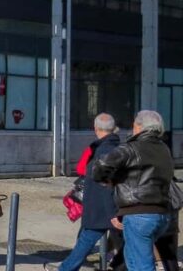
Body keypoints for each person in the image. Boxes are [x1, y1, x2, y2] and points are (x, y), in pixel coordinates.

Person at [92, 110, 174, 271]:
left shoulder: (130, 148)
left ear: (138, 127)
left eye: (135, 124)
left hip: (139, 214)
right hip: (162, 214)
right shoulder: (164, 148)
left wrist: (107, 180)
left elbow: (101, 165)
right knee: (132, 260)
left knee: (140, 265)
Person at [44, 114, 121, 271]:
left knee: (84, 244)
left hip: (103, 208)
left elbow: (106, 185)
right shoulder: (115, 148)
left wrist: (112, 212)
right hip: (109, 208)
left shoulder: (102, 151)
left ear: (95, 128)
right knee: (123, 246)